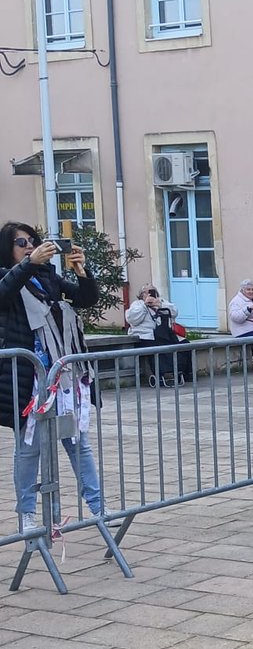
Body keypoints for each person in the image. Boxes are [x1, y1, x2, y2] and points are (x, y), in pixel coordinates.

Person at [0, 222, 106, 531]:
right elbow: (4, 293)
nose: (30, 246)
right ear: (8, 248)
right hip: (27, 377)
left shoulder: (47, 276)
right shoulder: (8, 275)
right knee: (29, 447)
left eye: (33, 241)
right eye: (21, 243)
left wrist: (82, 272)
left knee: (77, 441)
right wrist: (27, 265)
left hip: (60, 374)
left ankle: (99, 508)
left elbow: (85, 299)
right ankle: (27, 515)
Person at [125, 283, 193, 386]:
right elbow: (132, 319)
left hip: (164, 334)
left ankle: (184, 372)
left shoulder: (161, 301)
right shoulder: (138, 304)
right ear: (142, 294)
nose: (150, 294)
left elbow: (174, 312)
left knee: (185, 344)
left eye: (152, 291)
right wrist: (145, 305)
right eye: (147, 292)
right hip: (146, 336)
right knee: (158, 347)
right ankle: (160, 374)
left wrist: (160, 305)